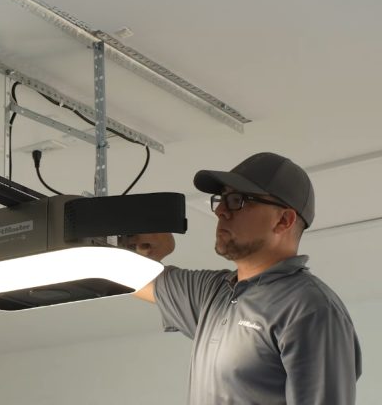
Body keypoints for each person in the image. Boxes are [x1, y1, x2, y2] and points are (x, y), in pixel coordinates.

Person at [128, 152, 362, 405]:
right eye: (221, 199)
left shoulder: (309, 309)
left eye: (237, 200)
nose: (219, 210)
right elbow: (125, 278)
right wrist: (150, 249)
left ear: (284, 220)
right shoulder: (212, 293)